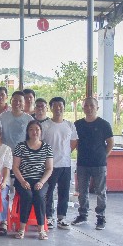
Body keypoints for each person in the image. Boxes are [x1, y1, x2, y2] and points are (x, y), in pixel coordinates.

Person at [72, 97, 114, 230]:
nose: (89, 108)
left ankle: (101, 217)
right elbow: (75, 142)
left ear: (97, 108)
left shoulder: (104, 124)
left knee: (100, 191)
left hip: (99, 164)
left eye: (92, 106)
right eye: (86, 106)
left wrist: (103, 156)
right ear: (83, 108)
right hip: (82, 163)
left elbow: (110, 143)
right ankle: (82, 215)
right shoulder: (77, 124)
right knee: (82, 191)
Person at [12, 120, 53, 240]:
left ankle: (41, 230)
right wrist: (22, 181)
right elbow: (15, 167)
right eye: (31, 129)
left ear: (41, 131)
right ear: (27, 132)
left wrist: (41, 182)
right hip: (23, 180)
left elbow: (49, 169)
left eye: (37, 129)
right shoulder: (20, 146)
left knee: (39, 196)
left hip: (40, 180)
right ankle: (21, 229)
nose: (34, 132)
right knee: (28, 195)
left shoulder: (47, 147)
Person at [41, 96, 78, 230]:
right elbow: (40, 143)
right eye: (55, 106)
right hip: (50, 166)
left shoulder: (69, 125)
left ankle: (62, 218)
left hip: (66, 165)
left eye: (60, 106)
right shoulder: (45, 125)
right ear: (50, 108)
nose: (58, 108)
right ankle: (49, 217)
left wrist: (65, 153)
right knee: (49, 192)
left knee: (64, 192)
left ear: (64, 107)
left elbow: (73, 142)